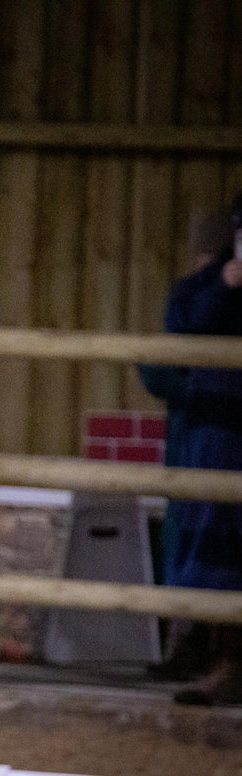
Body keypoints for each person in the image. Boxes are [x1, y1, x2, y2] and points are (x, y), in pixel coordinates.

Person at [140, 209, 233, 680]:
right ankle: (189, 641)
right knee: (192, 535)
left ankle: (219, 654)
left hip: (219, 435)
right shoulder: (196, 293)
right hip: (197, 436)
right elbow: (164, 356)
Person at [165, 193, 242, 706]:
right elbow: (180, 330)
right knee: (213, 539)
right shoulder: (202, 289)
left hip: (220, 428)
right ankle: (218, 658)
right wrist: (224, 285)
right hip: (218, 431)